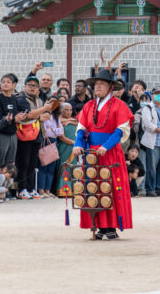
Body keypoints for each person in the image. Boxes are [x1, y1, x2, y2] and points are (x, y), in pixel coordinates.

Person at [71, 67, 134, 240]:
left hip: (110, 152)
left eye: (101, 84)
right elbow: (81, 129)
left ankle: (111, 226)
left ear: (110, 87)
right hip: (91, 153)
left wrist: (106, 146)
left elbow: (120, 131)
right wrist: (77, 144)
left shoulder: (120, 105)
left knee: (111, 187)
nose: (97, 87)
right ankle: (98, 225)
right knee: (93, 188)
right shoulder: (89, 106)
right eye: (95, 84)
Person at [15, 75, 57, 200]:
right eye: (30, 85)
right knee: (24, 163)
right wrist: (41, 113)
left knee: (33, 164)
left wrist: (41, 113)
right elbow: (29, 115)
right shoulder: (21, 99)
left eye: (35, 86)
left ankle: (30, 189)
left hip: (38, 134)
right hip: (25, 135)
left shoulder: (39, 100)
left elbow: (47, 114)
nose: (32, 88)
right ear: (25, 87)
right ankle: (21, 189)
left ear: (38, 89)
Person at [140, 87, 160, 197]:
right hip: (153, 142)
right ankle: (150, 189)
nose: (159, 96)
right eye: (157, 94)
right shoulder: (147, 108)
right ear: (152, 95)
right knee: (151, 167)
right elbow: (148, 125)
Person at [0, 74, 21, 169]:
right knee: (0, 162)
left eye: (8, 82)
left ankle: (8, 183)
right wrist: (7, 119)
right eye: (3, 82)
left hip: (13, 134)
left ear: (14, 85)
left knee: (10, 163)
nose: (5, 84)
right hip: (2, 134)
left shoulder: (14, 98)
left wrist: (19, 117)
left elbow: (15, 115)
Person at [39, 104, 64, 198]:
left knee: (51, 168)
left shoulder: (56, 117)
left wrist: (53, 129)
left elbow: (60, 131)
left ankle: (48, 190)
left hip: (54, 141)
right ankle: (41, 189)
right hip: (45, 141)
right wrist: (55, 130)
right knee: (43, 165)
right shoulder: (44, 116)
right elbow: (44, 130)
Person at [55, 103, 77, 198]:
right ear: (61, 110)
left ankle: (74, 190)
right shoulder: (57, 121)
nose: (69, 112)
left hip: (74, 149)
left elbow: (77, 122)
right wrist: (74, 143)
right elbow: (62, 138)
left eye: (70, 109)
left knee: (73, 169)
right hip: (64, 147)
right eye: (66, 110)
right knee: (64, 167)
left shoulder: (71, 120)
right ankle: (63, 190)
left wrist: (69, 121)